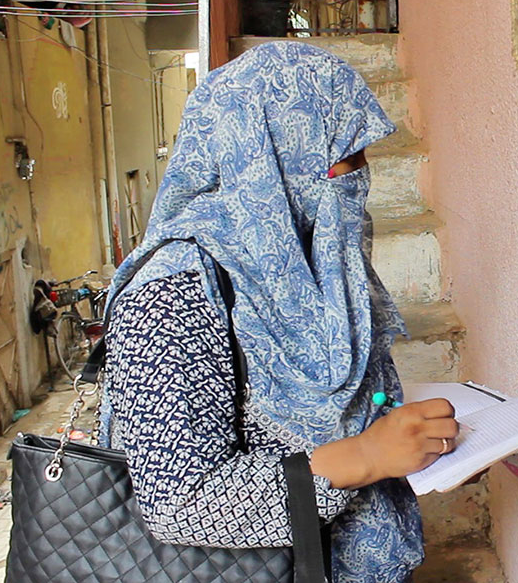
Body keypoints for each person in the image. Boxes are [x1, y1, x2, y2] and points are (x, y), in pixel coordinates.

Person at [98, 41, 458, 583]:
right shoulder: (173, 292)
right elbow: (178, 500)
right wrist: (366, 456)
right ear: (275, 153)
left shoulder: (306, 264)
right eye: (345, 156)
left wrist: (411, 448)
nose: (360, 177)